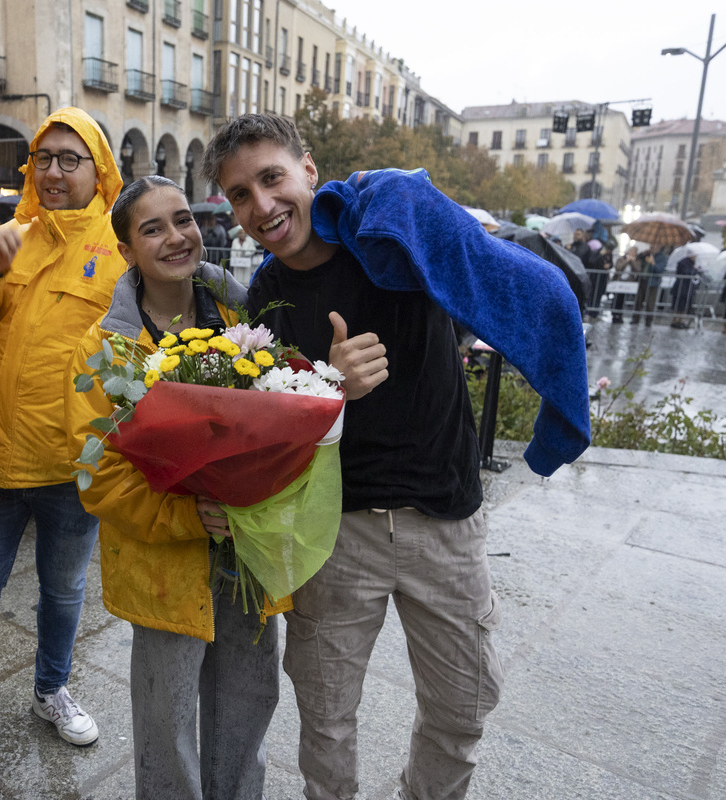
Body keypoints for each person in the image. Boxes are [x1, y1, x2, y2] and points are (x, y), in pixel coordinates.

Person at [203, 114, 589, 800]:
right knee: (325, 717)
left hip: (445, 521)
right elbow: (277, 431)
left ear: (309, 170)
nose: (260, 206)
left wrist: (422, 205)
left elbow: (495, 276)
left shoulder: (393, 238)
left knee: (463, 705)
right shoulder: (266, 296)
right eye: (239, 194)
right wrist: (329, 385)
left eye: (271, 178)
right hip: (338, 533)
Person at [66, 176, 290, 799]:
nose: (176, 237)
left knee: (248, 703)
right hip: (163, 564)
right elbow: (95, 473)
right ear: (126, 250)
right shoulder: (106, 349)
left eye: (183, 219)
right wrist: (192, 517)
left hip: (248, 553)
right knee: (168, 720)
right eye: (152, 228)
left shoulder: (249, 319)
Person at [0, 107, 126, 770]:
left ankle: (52, 688)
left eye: (70, 159)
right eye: (45, 158)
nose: (55, 171)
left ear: (98, 171)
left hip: (74, 466)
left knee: (65, 591)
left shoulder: (120, 247)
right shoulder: (9, 235)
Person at [632, 246, 668, 326]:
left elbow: (660, 270)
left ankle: (648, 320)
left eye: (655, 246)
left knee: (650, 303)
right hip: (643, 280)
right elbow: (638, 260)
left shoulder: (663, 257)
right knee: (638, 301)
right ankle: (635, 318)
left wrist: (653, 263)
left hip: (653, 283)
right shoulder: (647, 255)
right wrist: (642, 253)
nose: (652, 247)